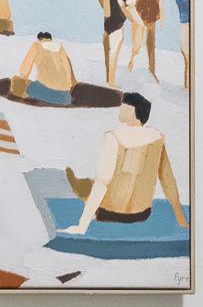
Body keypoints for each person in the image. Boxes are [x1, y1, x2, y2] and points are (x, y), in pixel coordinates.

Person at [62, 92, 186, 234]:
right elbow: (167, 179)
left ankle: (77, 184)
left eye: (125, 103)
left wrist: (81, 226)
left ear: (133, 110)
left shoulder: (113, 137)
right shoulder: (158, 138)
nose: (121, 106)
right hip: (142, 214)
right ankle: (79, 183)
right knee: (99, 182)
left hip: (109, 214)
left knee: (92, 184)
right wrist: (181, 219)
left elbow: (102, 183)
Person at [10, 31, 80, 102]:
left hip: (46, 92)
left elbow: (23, 72)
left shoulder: (36, 45)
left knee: (16, 81)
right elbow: (73, 80)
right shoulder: (61, 48)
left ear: (40, 39)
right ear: (50, 39)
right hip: (65, 97)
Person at [98, 0, 132, 87]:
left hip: (107, 26)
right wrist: (132, 18)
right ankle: (111, 82)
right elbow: (119, 8)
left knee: (108, 55)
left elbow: (105, 10)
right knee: (113, 56)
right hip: (116, 26)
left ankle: (109, 80)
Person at [132, 0, 164, 78]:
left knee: (151, 45)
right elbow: (132, 1)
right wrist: (136, 19)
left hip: (152, 19)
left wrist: (161, 17)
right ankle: (132, 66)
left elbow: (159, 0)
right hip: (139, 18)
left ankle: (152, 71)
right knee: (136, 45)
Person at [173, 0, 192, 88]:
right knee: (185, 54)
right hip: (183, 24)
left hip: (187, 24)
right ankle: (186, 85)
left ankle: (188, 85)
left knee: (187, 55)